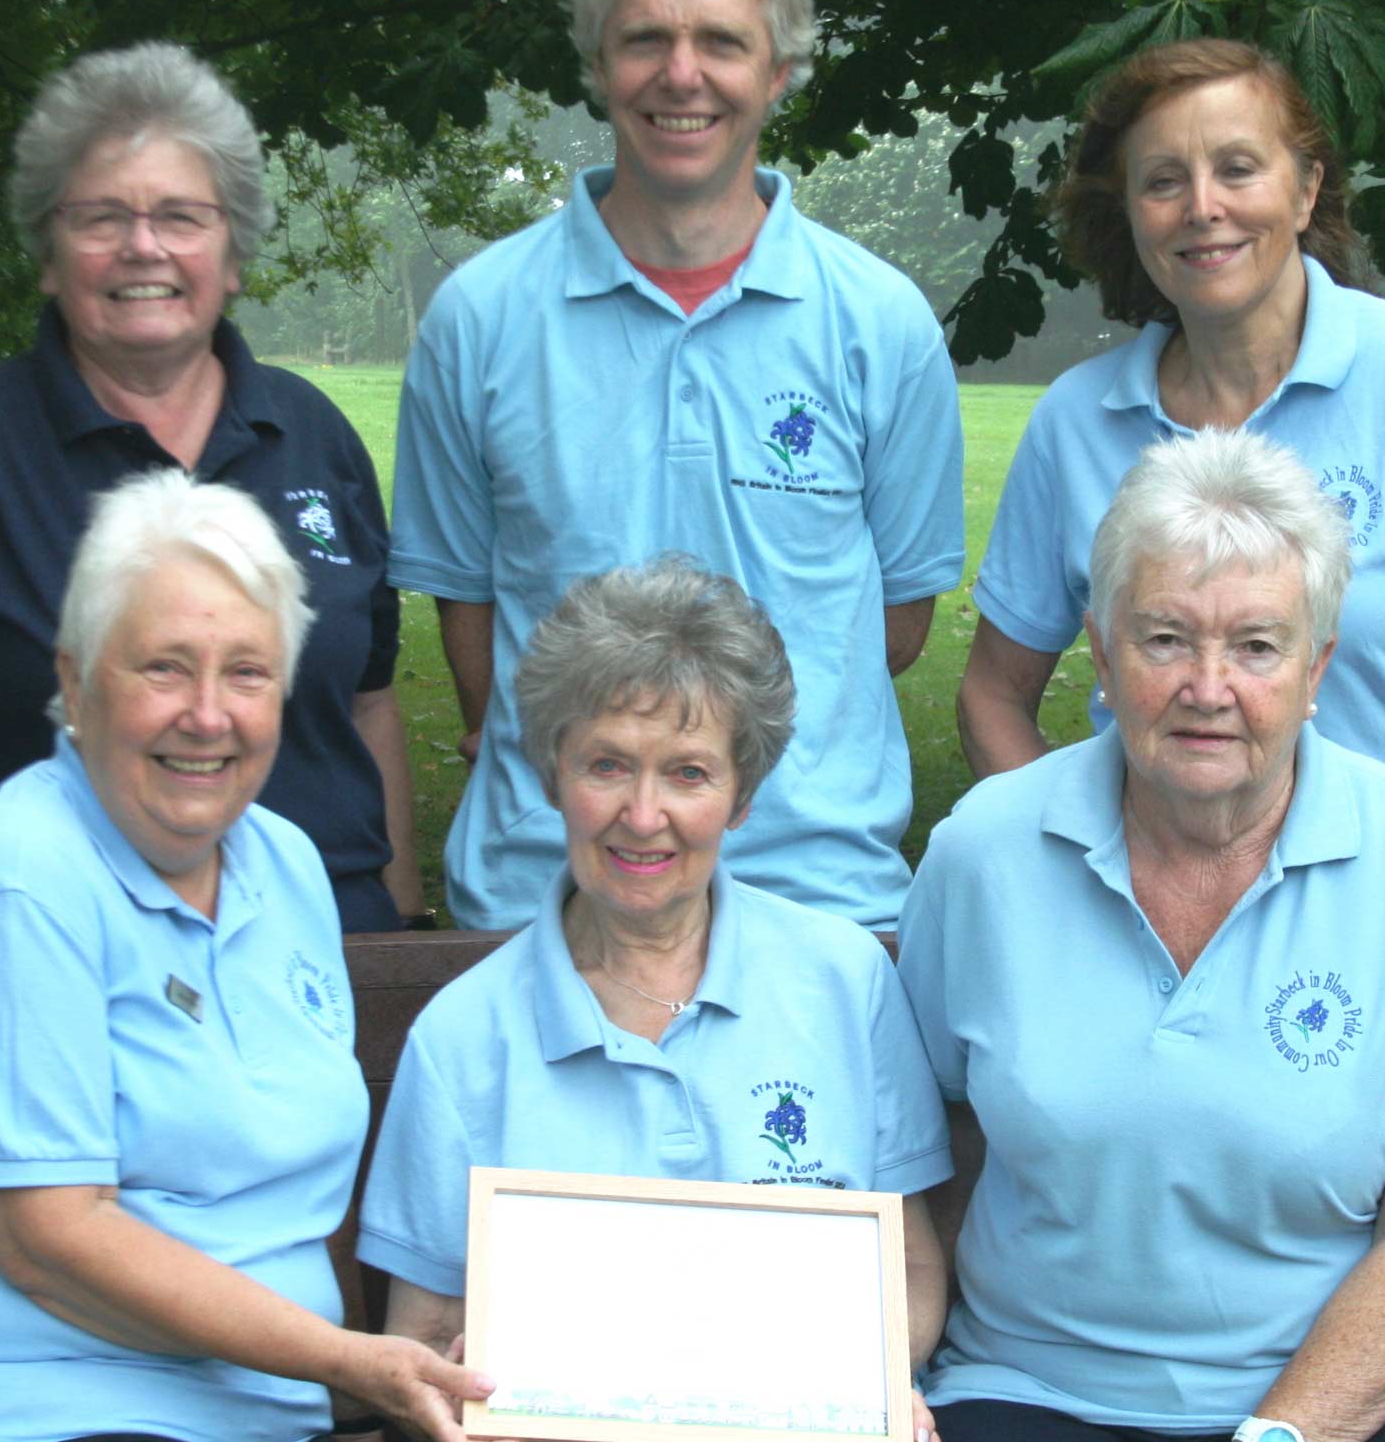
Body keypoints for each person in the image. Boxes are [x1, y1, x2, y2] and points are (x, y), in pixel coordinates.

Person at [0, 471, 486, 1442]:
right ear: (74, 683)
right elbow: (48, 1241)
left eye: (247, 671)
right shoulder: (21, 876)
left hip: (245, 1412)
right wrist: (349, 1363)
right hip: (1, 1404)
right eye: (163, 667)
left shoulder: (281, 866)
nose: (208, 713)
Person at [0, 40, 422, 1033]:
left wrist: (398, 929)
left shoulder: (313, 434)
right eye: (101, 218)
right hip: (63, 979)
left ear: (234, 256)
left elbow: (366, 701)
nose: (142, 248)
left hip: (320, 969)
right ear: (47, 253)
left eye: (180, 218)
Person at [900, 430, 1385, 1442]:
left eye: (1257, 646)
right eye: (1165, 638)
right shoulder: (984, 855)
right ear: (1101, 652)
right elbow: (924, 1140)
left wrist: (1280, 1433)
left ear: (1318, 668)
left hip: (1366, 1390)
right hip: (1040, 1383)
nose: (1208, 686)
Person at [389, 0, 965, 929]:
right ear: (598, 62)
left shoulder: (880, 323)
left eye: (723, 42)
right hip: (542, 891)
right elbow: (465, 610)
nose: (681, 75)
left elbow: (891, 626)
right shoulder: (478, 319)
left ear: (780, 68)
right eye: (646, 39)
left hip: (815, 896)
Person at [957, 37, 1385, 879]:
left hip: (1384, 929)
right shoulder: (1076, 421)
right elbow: (991, 694)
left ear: (1306, 189)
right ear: (1128, 212)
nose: (1202, 206)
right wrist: (1080, 878)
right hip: (1153, 933)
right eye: (1162, 180)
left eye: (1238, 168)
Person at [357, 557, 953, 1434]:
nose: (643, 815)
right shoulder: (463, 1035)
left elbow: (908, 1271)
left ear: (741, 795)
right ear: (553, 772)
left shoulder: (844, 981)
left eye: (687, 773)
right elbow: (426, 1330)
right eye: (607, 765)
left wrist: (852, 1388)